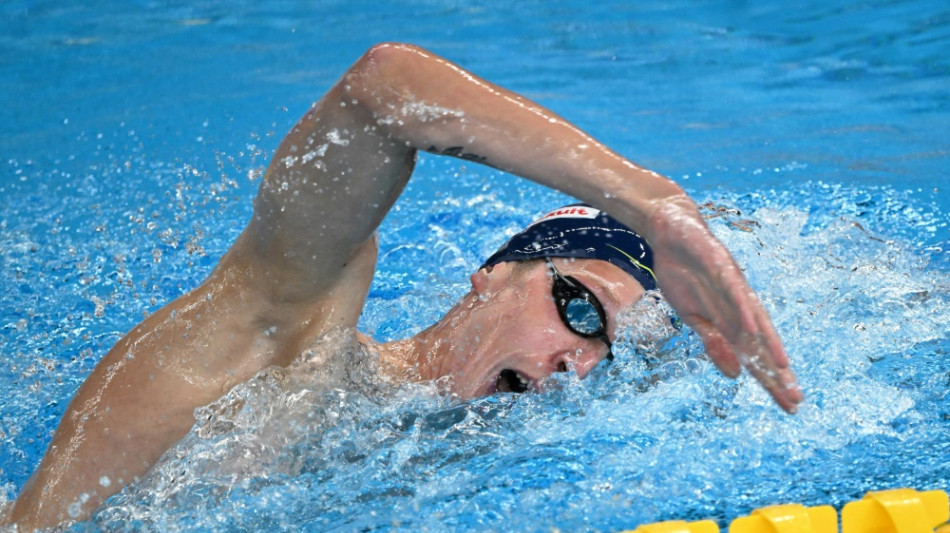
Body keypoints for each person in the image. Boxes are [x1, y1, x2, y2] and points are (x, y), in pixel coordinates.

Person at [3, 42, 802, 529]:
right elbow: (381, 92)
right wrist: (648, 201)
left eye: (607, 354)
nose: (579, 364)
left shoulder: (460, 462)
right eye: (581, 307)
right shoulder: (293, 343)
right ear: (491, 277)